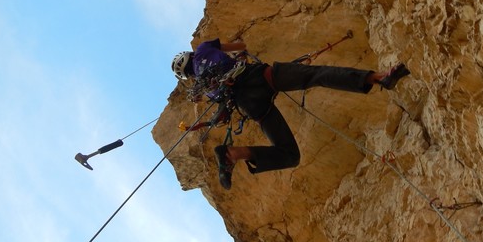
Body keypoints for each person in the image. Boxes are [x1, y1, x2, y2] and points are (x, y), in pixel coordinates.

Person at [172, 38, 410, 190]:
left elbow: (225, 112)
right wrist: (238, 51)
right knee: (316, 75)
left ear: (189, 76)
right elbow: (240, 46)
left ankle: (233, 153)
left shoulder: (208, 88)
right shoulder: (204, 48)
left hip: (251, 104)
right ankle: (380, 78)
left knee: (289, 155)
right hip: (257, 76)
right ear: (190, 56)